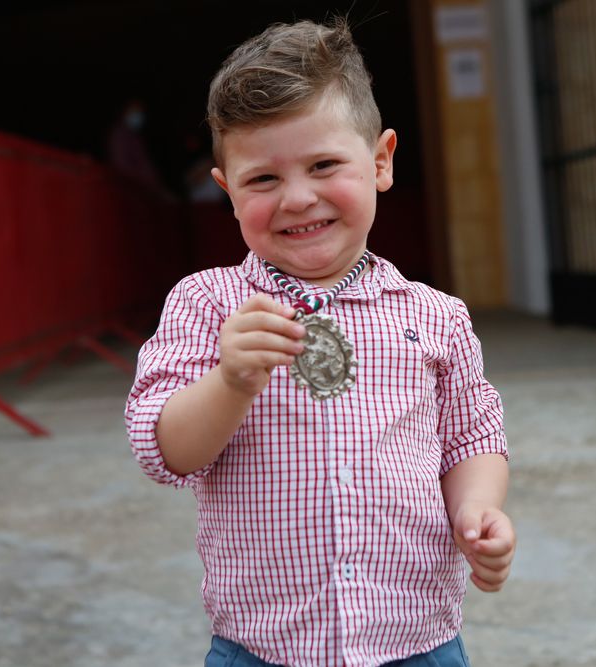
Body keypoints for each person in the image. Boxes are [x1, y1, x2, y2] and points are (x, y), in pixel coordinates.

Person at [125, 18, 514, 667]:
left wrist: (478, 513)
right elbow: (163, 449)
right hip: (263, 646)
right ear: (227, 190)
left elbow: (473, 437)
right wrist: (229, 382)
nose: (299, 198)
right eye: (263, 180)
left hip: (415, 641)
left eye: (324, 165)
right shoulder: (209, 304)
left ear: (381, 160)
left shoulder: (435, 316)